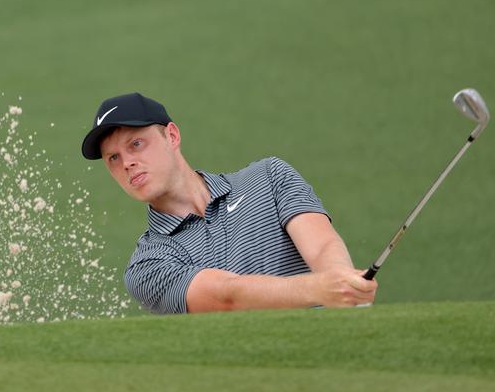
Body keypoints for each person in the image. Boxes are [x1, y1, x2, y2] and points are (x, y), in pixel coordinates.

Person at [81, 92, 377, 314]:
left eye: (136, 144)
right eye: (113, 158)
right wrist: (320, 289)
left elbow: (322, 245)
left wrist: (343, 283)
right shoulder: (146, 266)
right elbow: (227, 296)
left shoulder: (270, 177)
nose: (128, 164)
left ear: (171, 136)